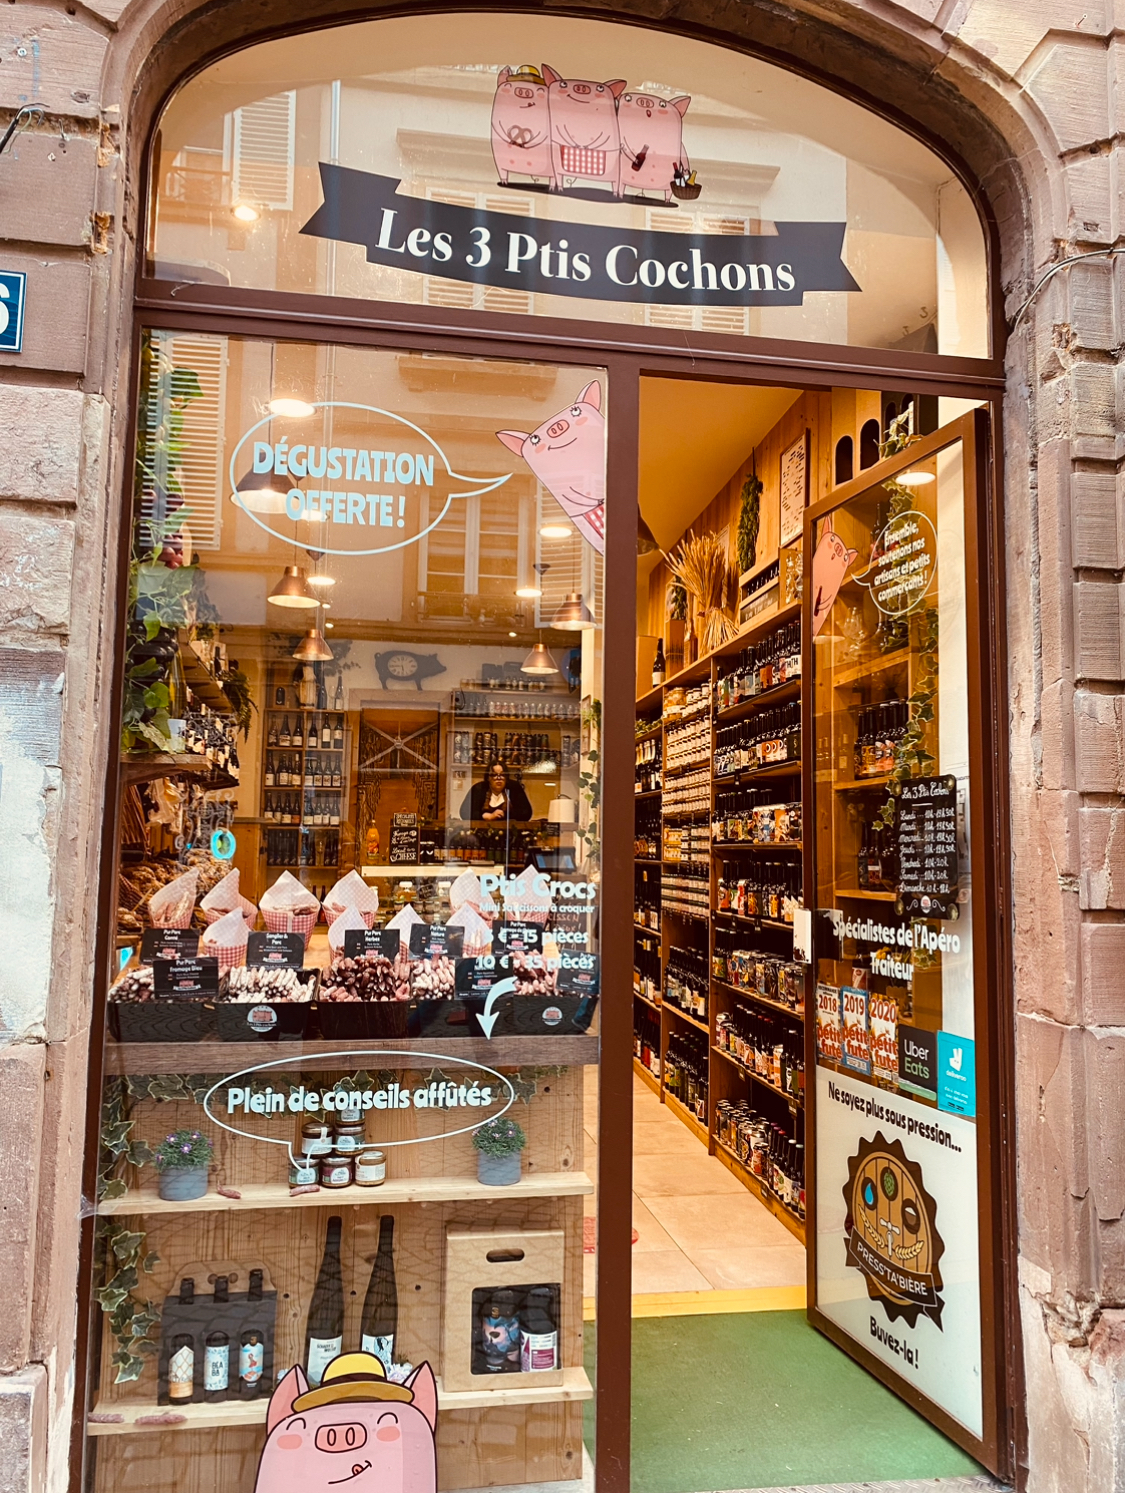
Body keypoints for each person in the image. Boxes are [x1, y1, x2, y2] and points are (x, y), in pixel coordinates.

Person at [460, 761, 533, 823]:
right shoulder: (479, 788)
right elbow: (464, 813)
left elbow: (526, 813)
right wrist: (485, 816)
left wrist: (504, 815)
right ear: (488, 778)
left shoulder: (515, 788)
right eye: (494, 775)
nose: (499, 778)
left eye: (502, 775)